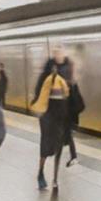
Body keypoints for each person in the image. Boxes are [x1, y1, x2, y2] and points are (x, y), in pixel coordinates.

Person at [31, 46, 74, 191]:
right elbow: (39, 95)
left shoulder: (64, 78)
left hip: (60, 118)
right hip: (47, 117)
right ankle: (41, 172)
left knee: (58, 148)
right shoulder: (45, 78)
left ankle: (55, 178)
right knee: (45, 147)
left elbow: (68, 96)